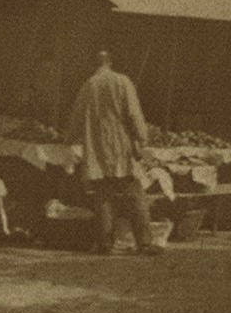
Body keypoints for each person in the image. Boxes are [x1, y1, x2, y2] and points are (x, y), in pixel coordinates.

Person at [67, 50, 161, 256]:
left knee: (103, 195)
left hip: (97, 149)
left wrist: (72, 141)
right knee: (135, 193)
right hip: (120, 148)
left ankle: (104, 244)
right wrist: (143, 138)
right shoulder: (122, 81)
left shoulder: (88, 85)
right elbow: (134, 114)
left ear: (94, 64)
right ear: (110, 62)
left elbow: (75, 120)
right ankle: (144, 243)